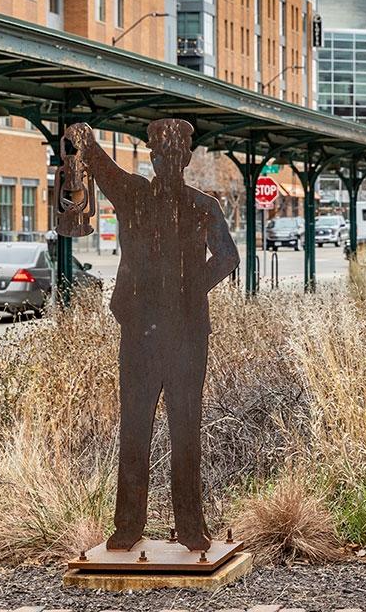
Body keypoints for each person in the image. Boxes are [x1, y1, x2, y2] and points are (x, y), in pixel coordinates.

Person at [66, 119, 238, 551]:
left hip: (185, 335)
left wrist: (189, 285)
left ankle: (191, 527)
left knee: (186, 430)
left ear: (183, 160)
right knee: (134, 428)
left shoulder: (204, 207)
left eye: (170, 155)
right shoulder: (135, 196)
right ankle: (128, 527)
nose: (163, 162)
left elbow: (229, 256)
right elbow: (102, 169)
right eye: (157, 155)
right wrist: (82, 139)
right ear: (153, 159)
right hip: (141, 332)